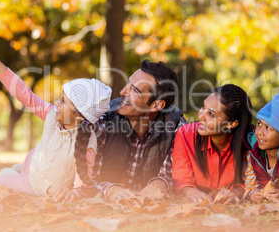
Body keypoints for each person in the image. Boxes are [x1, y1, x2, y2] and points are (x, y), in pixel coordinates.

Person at [0, 33, 112, 197]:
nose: (57, 103)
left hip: (33, 185)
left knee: (0, 179)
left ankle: (14, 172)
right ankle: (19, 169)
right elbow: (22, 92)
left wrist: (75, 194)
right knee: (3, 178)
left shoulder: (87, 143)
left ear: (80, 116)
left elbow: (83, 182)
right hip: (32, 171)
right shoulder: (52, 115)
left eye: (63, 101)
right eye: (60, 98)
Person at [54, 59, 186, 202]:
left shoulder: (177, 126)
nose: (122, 92)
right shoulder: (103, 119)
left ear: (156, 105)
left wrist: (162, 183)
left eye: (134, 90)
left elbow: (177, 176)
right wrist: (110, 189)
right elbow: (89, 177)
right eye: (127, 84)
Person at [172, 84, 253, 203]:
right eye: (203, 107)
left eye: (211, 114)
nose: (201, 116)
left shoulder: (251, 141)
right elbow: (182, 178)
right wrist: (190, 191)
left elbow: (252, 181)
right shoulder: (185, 134)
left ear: (231, 124)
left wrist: (237, 192)